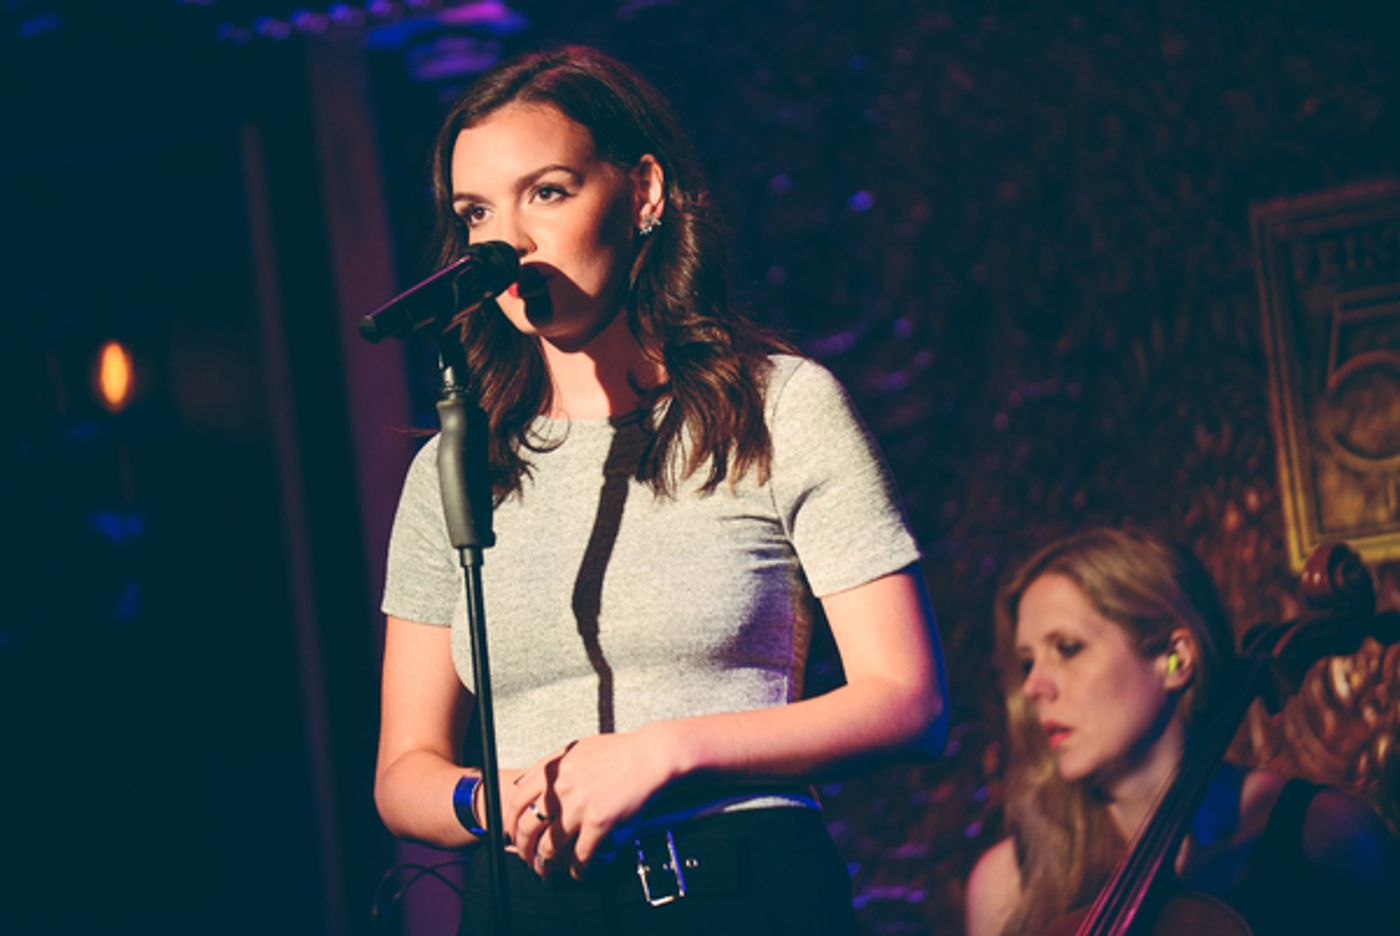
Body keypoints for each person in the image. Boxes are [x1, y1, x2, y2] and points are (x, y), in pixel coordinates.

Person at [373, 45, 949, 935]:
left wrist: (664, 752)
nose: (506, 241)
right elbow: (404, 770)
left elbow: (908, 700)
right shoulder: (456, 468)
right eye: (476, 211)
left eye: (547, 193)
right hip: (527, 903)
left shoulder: (778, 407)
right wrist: (495, 797)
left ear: (643, 192)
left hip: (735, 886)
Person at [965, 527, 1399, 935]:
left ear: (1176, 659)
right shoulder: (1006, 887)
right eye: (1027, 662)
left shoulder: (1328, 838)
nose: (1033, 686)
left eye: (1067, 648)